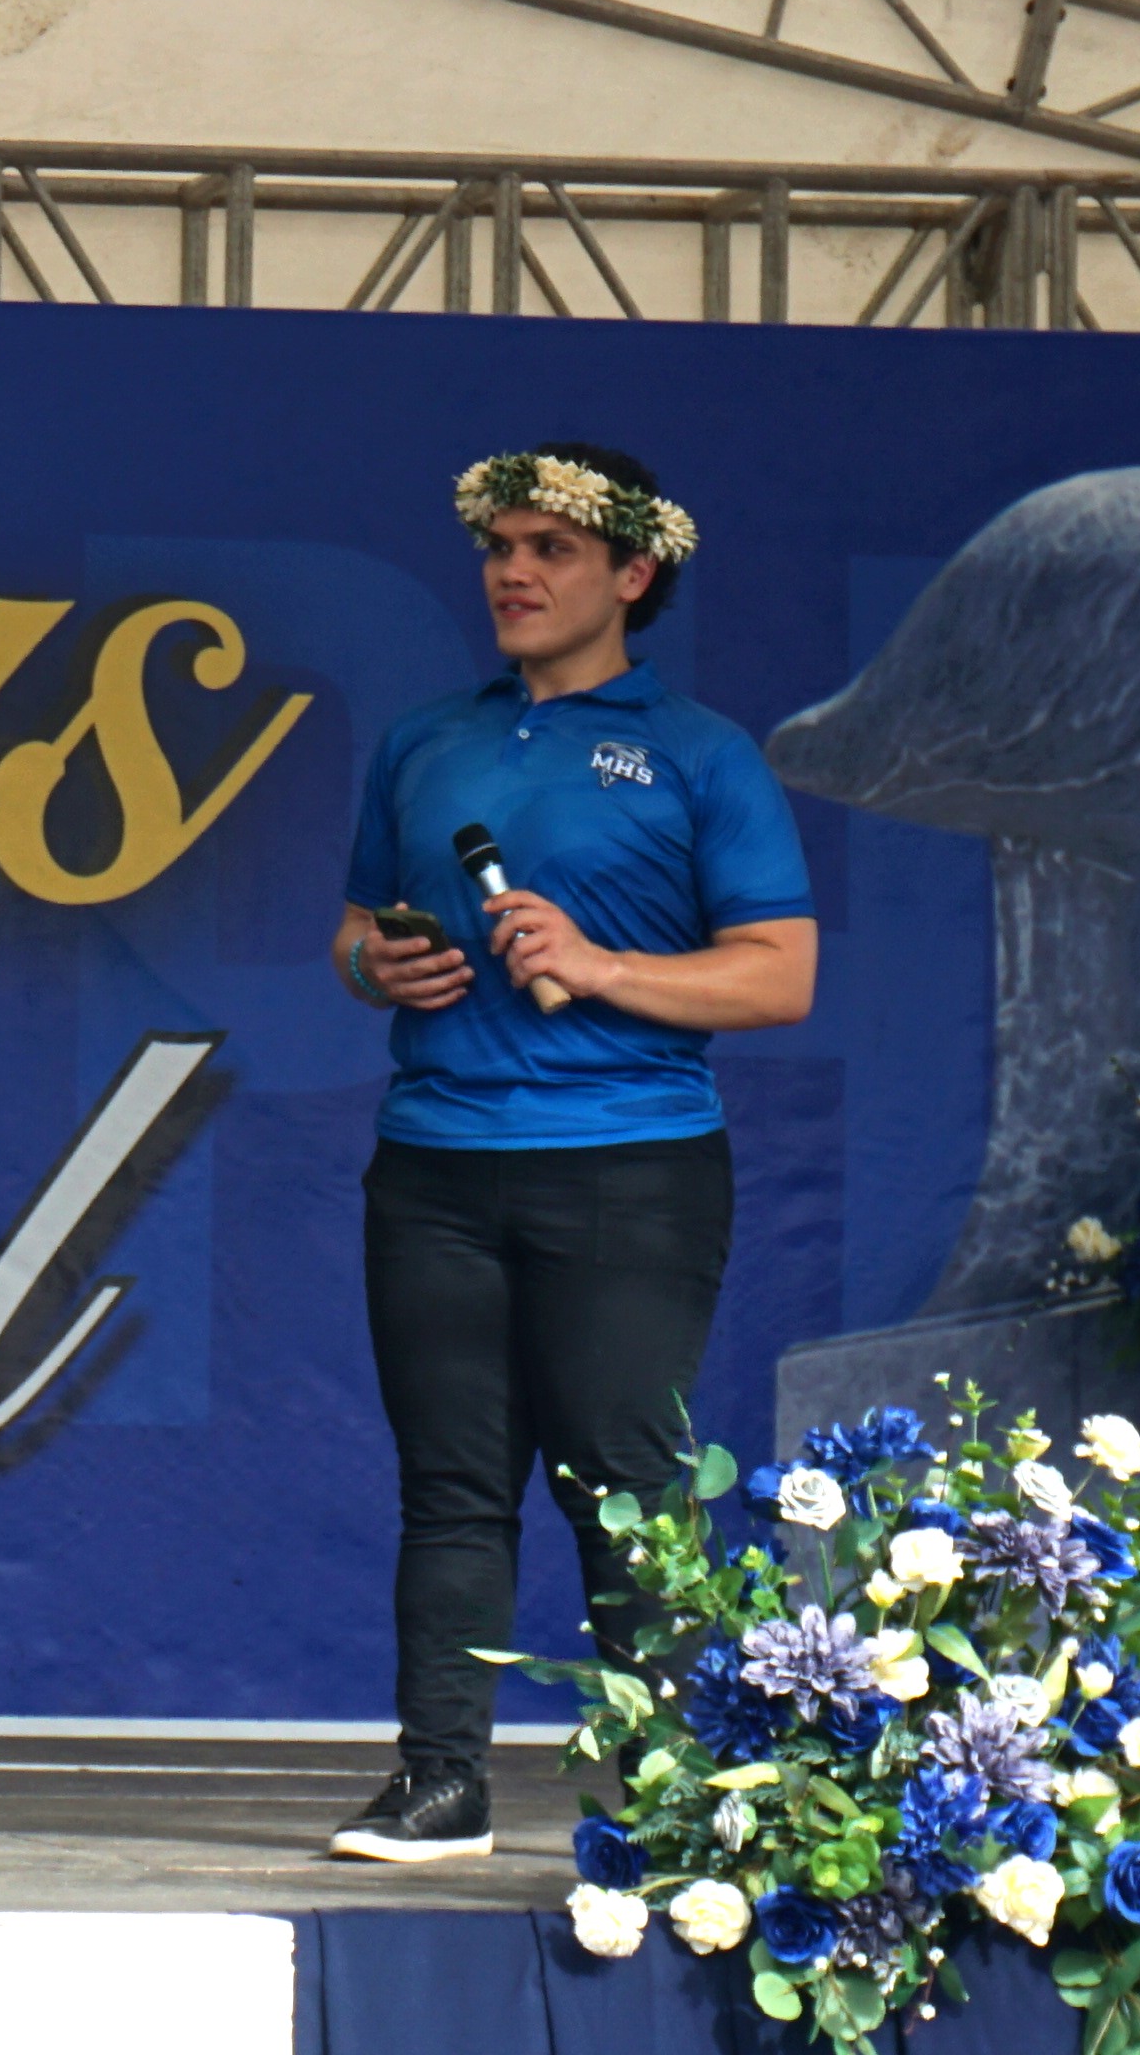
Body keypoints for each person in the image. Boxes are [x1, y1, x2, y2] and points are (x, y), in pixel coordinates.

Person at [324, 443, 817, 1866]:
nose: (514, 573)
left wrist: (599, 967)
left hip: (629, 1165)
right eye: (501, 548)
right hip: (433, 1162)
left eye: (550, 549)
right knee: (452, 1484)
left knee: (627, 1484)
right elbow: (354, 931)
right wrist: (384, 969)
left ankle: (665, 1794)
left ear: (632, 575)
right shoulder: (427, 740)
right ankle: (439, 1781)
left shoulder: (701, 752)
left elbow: (779, 975)